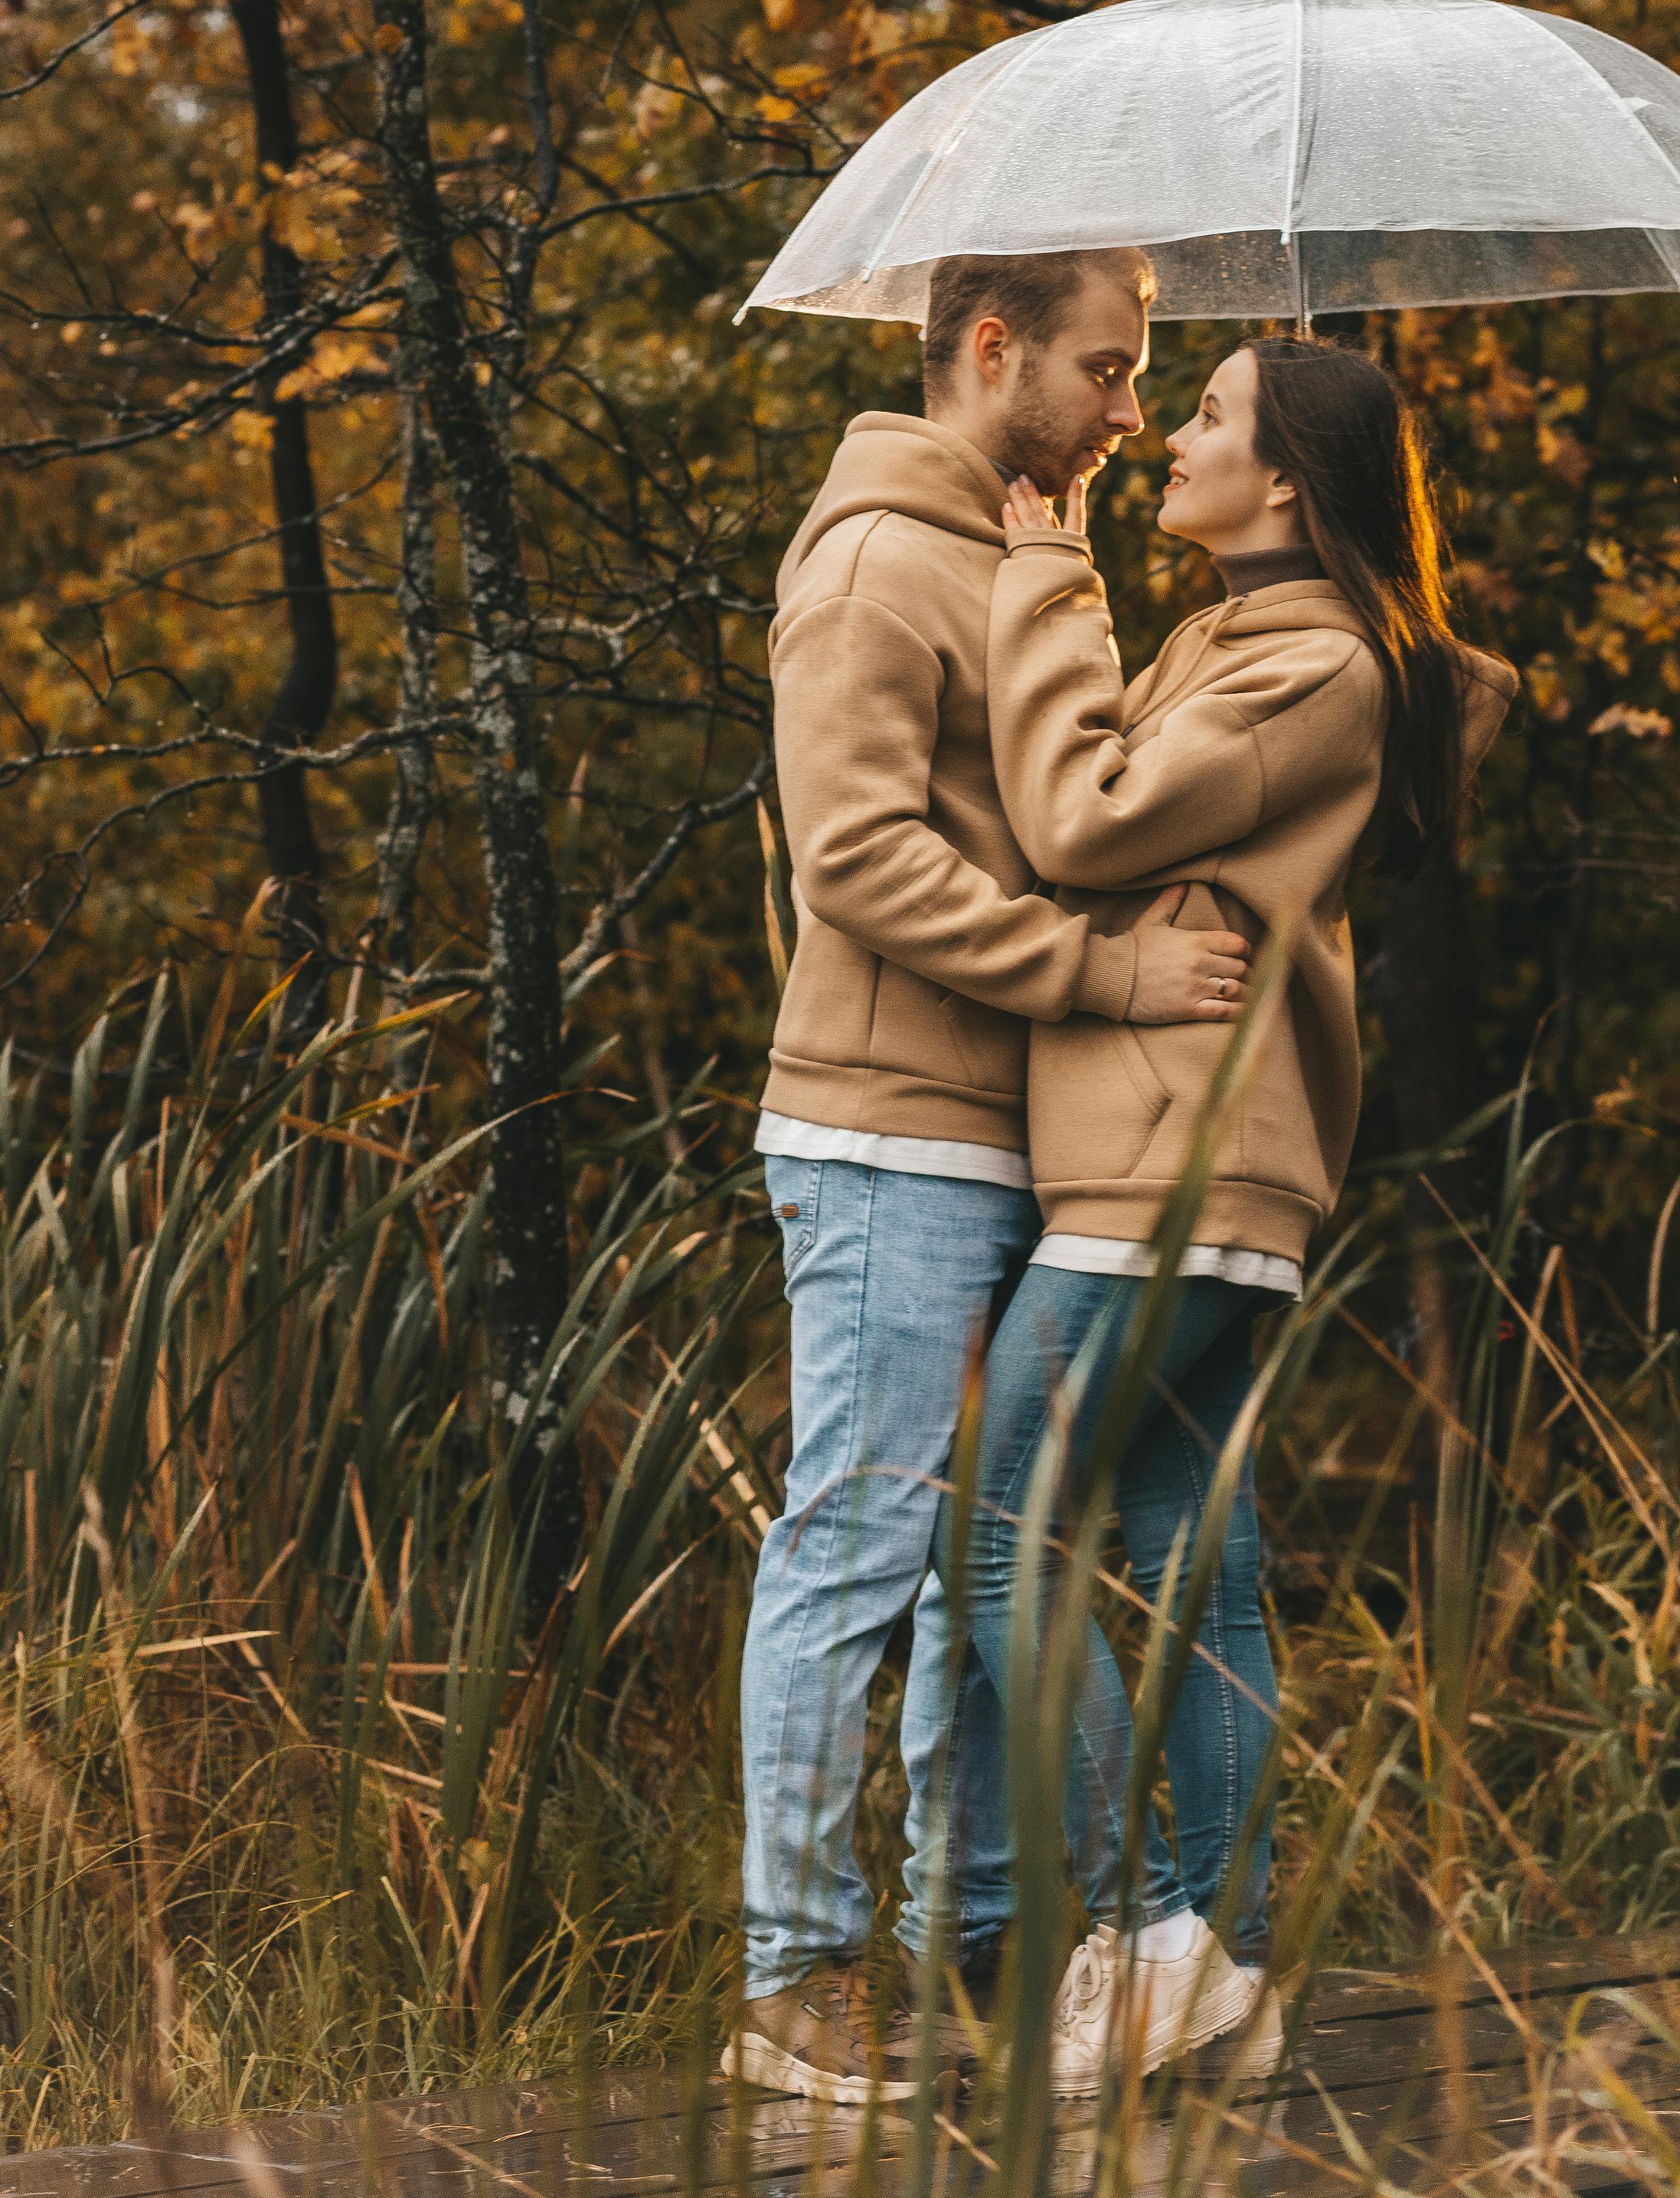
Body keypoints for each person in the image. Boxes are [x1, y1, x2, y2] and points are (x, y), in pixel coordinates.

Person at [953, 331, 1515, 2095]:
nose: (1165, 436)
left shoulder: (1309, 662)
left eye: (1202, 413)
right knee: (1200, 1564)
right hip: (1189, 1151)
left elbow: (1077, 817)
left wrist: (1046, 569)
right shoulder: (1242, 638)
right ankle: (1226, 1966)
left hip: (1170, 1148)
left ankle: (1146, 1941)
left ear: (1281, 477)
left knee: (993, 1531)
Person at [722, 250, 1256, 2107]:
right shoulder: (875, 560)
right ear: (990, 347)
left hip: (1001, 1132)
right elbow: (856, 857)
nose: (1129, 409)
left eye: (1141, 377)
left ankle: (980, 1944)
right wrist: (1103, 975)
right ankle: (793, 1977)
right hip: (888, 1134)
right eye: (1104, 371)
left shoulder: (1020, 548)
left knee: (980, 1563)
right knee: (856, 1546)